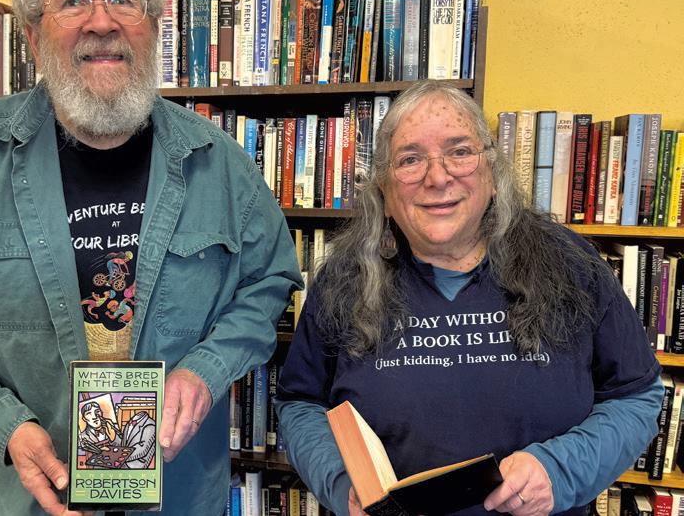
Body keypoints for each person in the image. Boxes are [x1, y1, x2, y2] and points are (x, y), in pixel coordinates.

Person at [0, 0, 301, 516]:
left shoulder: (221, 164)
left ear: (153, 24)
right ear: (33, 34)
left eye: (122, 0)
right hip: (26, 499)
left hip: (180, 495)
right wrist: (3, 424)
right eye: (73, 0)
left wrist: (206, 370)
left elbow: (268, 284)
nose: (101, 22)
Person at [275, 81, 663, 516]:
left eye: (459, 152)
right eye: (410, 159)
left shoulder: (570, 263)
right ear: (384, 193)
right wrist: (342, 485)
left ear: (492, 175)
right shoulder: (343, 279)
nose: (438, 178)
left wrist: (560, 471)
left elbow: (637, 397)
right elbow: (301, 404)